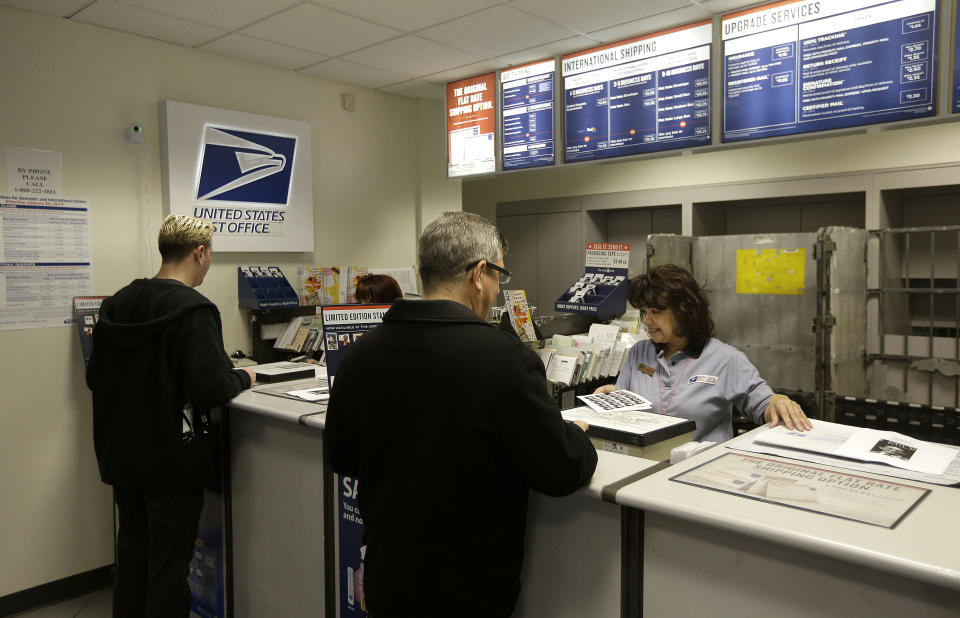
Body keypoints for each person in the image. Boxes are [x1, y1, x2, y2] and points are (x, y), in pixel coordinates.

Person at [325, 212, 597, 618]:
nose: (495, 290)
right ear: (479, 273)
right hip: (470, 592)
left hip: (388, 580)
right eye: (497, 278)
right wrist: (574, 434)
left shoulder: (362, 355)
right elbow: (559, 470)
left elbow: (342, 457)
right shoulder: (506, 360)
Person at [86, 214, 256, 618]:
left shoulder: (118, 303)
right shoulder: (193, 310)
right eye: (210, 254)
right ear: (199, 253)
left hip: (123, 458)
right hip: (171, 464)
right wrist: (245, 377)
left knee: (132, 560)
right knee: (168, 570)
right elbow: (211, 387)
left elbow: (96, 376)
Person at [595, 264, 811, 442]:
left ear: (683, 310)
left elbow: (763, 403)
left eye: (656, 312)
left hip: (697, 470)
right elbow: (625, 399)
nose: (647, 321)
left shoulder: (725, 359)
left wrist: (777, 402)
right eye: (643, 312)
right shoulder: (639, 353)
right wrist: (612, 395)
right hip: (642, 465)